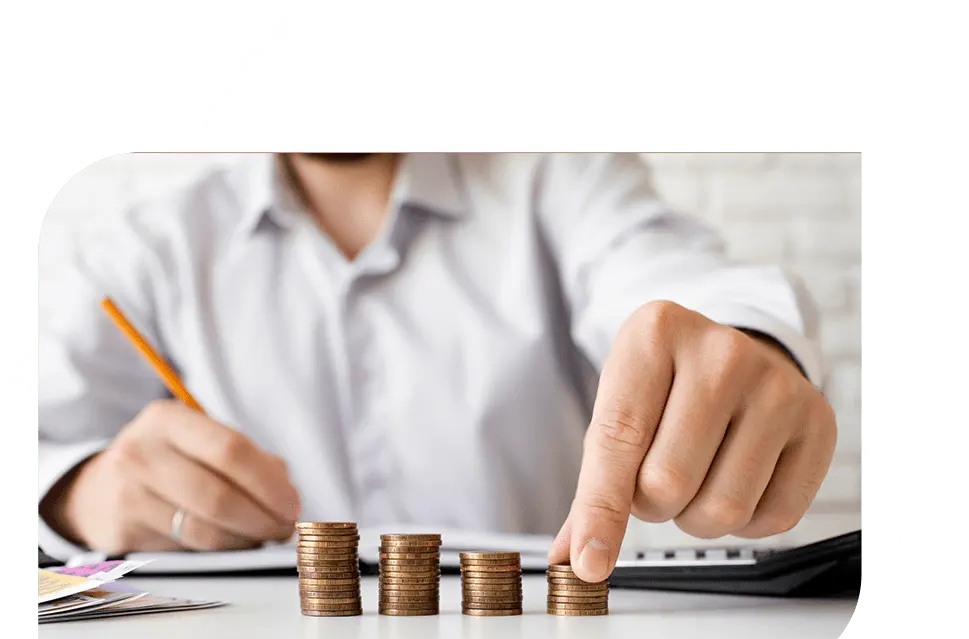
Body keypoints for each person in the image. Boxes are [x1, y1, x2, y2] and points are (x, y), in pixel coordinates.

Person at [38, 152, 837, 582]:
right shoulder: (149, 244)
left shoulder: (558, 177)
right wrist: (77, 494)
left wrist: (742, 342)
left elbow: (671, 277)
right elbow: (33, 439)